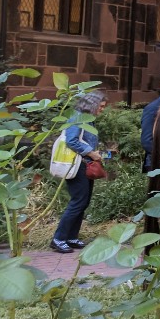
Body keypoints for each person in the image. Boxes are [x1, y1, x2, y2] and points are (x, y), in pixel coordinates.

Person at [51, 91, 108, 253]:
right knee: (78, 201)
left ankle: (71, 237)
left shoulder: (87, 119)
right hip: (77, 165)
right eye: (101, 106)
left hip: (85, 164)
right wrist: (91, 152)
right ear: (92, 104)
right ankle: (58, 239)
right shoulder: (78, 117)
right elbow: (71, 140)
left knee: (83, 202)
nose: (102, 110)